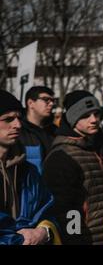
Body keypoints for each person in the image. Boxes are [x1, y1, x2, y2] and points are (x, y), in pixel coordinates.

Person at [43, 91, 103, 245]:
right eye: (85, 115)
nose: (93, 120)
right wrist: (76, 240)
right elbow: (66, 209)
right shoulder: (61, 156)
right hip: (89, 240)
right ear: (72, 118)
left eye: (96, 114)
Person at [0, 90, 60, 245]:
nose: (17, 125)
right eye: (8, 119)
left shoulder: (28, 170)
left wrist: (44, 232)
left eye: (19, 118)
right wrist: (19, 240)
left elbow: (48, 210)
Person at [19, 86, 57, 174]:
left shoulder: (55, 131)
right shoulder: (18, 131)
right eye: (46, 99)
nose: (51, 104)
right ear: (30, 103)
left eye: (52, 100)